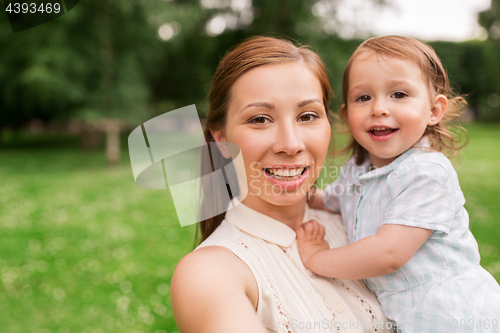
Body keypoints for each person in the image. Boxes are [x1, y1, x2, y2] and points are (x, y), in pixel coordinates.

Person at [170, 36, 394, 333]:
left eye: (307, 116)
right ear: (220, 139)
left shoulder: (364, 224)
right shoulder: (210, 272)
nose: (291, 144)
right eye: (260, 119)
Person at [297, 35, 500, 332]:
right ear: (347, 115)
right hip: (406, 318)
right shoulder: (357, 169)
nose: (379, 108)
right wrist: (301, 195)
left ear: (433, 110)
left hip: (456, 317)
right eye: (363, 97)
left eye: (399, 95)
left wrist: (317, 257)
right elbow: (333, 200)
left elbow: (388, 253)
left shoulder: (426, 172)